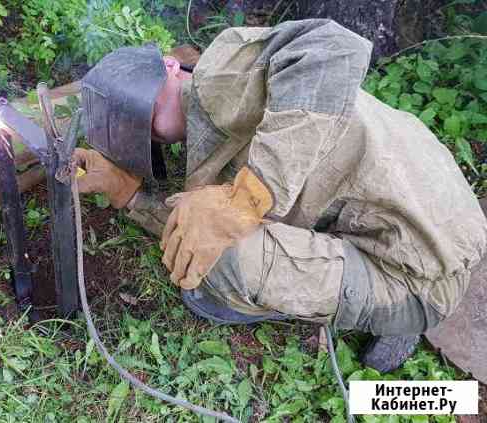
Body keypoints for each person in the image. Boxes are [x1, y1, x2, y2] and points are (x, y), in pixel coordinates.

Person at [74, 19, 487, 372]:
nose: (151, 133)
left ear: (170, 65)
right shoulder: (209, 117)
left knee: (219, 264)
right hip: (417, 209)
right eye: (142, 138)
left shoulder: (222, 75)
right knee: (213, 236)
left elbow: (334, 47)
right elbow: (203, 216)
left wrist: (247, 200)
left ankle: (397, 320)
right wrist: (127, 193)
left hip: (421, 271)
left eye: (146, 116)